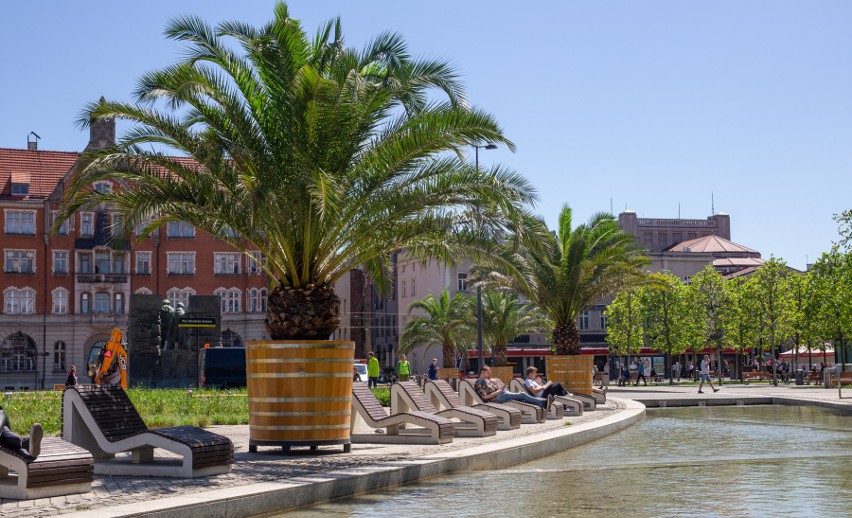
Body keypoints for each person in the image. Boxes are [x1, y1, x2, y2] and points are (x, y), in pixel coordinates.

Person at [475, 366, 552, 410]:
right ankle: (543, 403)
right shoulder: (479, 383)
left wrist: (496, 383)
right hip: (497, 398)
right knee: (522, 394)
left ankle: (541, 403)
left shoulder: (488, 380)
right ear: (482, 372)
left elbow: (497, 388)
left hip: (501, 394)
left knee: (521, 397)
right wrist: (498, 392)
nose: (489, 374)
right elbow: (485, 397)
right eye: (488, 372)